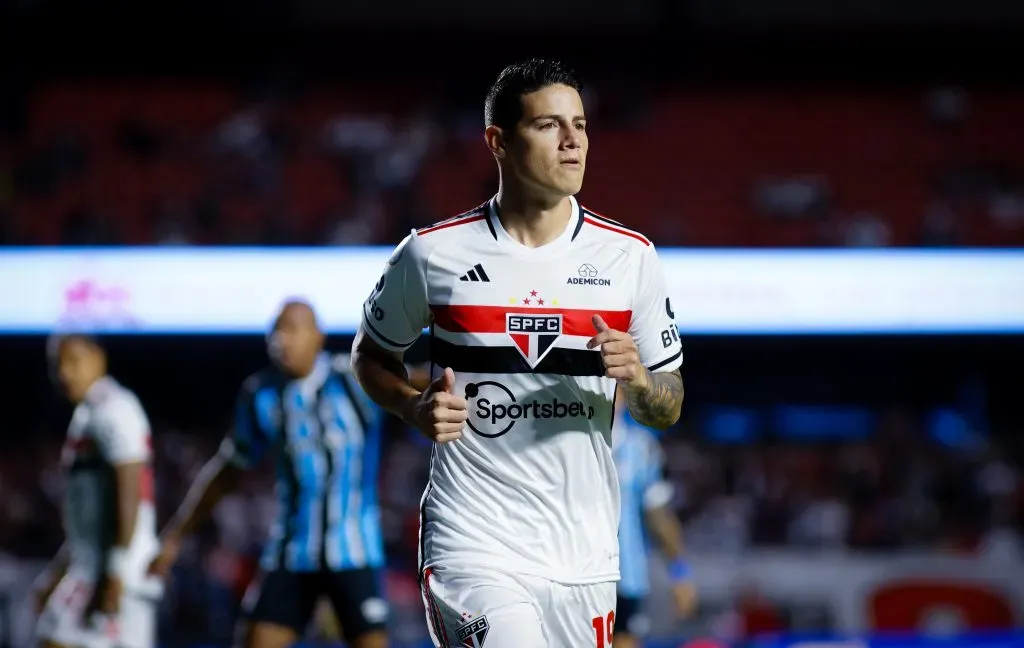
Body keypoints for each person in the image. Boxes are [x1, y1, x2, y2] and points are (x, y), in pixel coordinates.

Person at [350, 58, 685, 648]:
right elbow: (370, 357)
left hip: (585, 556)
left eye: (580, 125)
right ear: (498, 141)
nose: (572, 140)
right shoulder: (432, 254)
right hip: (472, 543)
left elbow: (668, 405)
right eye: (549, 125)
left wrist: (636, 379)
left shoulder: (630, 259)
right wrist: (409, 406)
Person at [147, 299, 390, 648]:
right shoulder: (261, 394)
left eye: (292, 329)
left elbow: (409, 383)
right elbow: (228, 470)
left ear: (318, 337)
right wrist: (175, 535)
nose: (281, 340)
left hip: (355, 550)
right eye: (275, 331)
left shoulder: (353, 379)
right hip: (293, 551)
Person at [34, 334, 160, 648]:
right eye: (57, 364)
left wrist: (116, 569)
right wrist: (59, 569)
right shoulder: (88, 412)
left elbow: (131, 485)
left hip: (115, 571)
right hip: (94, 564)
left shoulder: (114, 407)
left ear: (98, 359)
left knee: (54, 638)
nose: (65, 372)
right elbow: (89, 514)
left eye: (74, 361)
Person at [612, 386, 697, 648]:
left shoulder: (641, 447)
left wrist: (680, 573)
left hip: (625, 577)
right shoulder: (566, 442)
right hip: (565, 571)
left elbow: (658, 516)